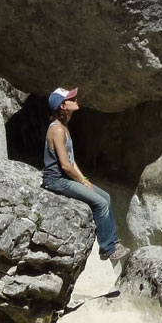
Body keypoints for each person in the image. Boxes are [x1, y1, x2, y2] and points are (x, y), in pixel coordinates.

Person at [41, 87, 130, 262]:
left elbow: (71, 161)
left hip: (66, 178)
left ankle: (112, 239)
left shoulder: (64, 127)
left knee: (105, 196)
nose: (76, 100)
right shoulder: (57, 130)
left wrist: (85, 180)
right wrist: (80, 180)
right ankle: (107, 248)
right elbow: (65, 165)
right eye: (71, 99)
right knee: (100, 203)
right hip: (56, 180)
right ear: (62, 106)